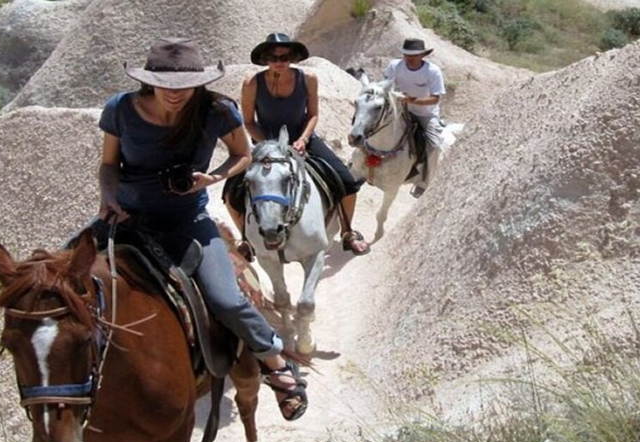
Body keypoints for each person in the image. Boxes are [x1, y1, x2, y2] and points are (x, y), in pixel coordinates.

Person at [96, 37, 307, 421]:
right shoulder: (120, 110)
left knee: (227, 299)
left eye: (184, 86)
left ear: (199, 83)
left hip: (186, 221)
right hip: (126, 216)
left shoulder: (217, 110)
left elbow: (243, 154)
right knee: (56, 278)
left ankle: (275, 362)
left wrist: (213, 178)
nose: (175, 95)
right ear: (148, 81)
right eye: (166, 86)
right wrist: (108, 198)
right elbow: (109, 165)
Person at [225, 33, 370, 259]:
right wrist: (269, 145)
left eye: (284, 56)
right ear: (265, 58)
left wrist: (302, 139)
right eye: (273, 56)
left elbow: (312, 115)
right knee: (231, 191)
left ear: (293, 57)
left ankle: (348, 231)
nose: (279, 60)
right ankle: (246, 238)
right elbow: (248, 122)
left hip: (302, 139)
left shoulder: (308, 78)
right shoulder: (251, 83)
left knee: (347, 182)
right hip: (266, 144)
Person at [383, 38, 446, 198]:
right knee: (374, 123)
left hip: (425, 113)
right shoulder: (395, 66)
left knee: (434, 146)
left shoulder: (432, 71)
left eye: (413, 55)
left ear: (422, 55)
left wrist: (412, 100)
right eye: (406, 54)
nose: (409, 58)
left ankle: (424, 183)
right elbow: (386, 86)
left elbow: (435, 98)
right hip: (400, 109)